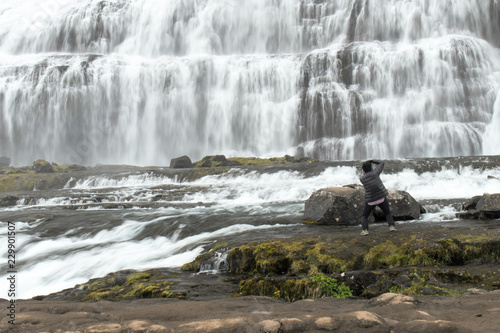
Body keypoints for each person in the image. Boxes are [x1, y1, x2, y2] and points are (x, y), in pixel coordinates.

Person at [359, 159, 396, 236]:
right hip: (381, 198)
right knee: (387, 213)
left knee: (364, 216)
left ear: (363, 170)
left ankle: (365, 230)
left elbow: (366, 174)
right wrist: (372, 161)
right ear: (371, 168)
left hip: (370, 200)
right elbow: (382, 163)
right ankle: (392, 226)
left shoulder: (362, 179)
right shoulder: (375, 173)